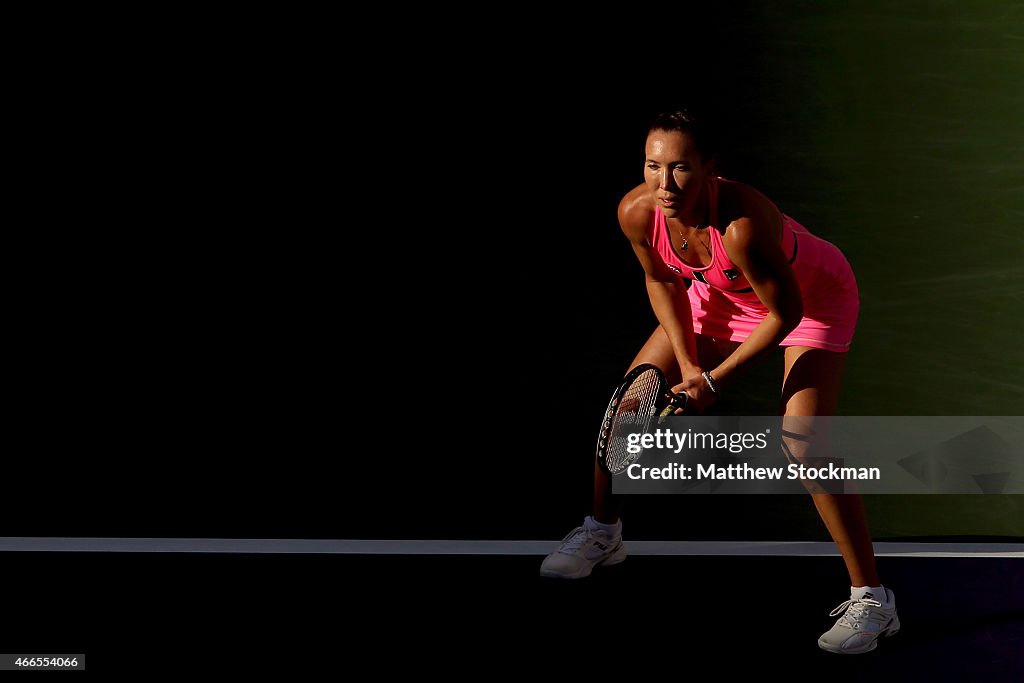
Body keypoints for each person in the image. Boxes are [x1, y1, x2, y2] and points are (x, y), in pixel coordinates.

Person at [539, 110, 900, 654]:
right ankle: (602, 532)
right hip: (718, 298)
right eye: (653, 165)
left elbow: (785, 314)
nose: (664, 183)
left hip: (810, 302)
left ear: (710, 169)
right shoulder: (638, 212)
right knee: (627, 405)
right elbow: (660, 279)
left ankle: (873, 599)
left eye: (680, 167)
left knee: (805, 444)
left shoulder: (743, 227)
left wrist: (712, 380)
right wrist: (685, 365)